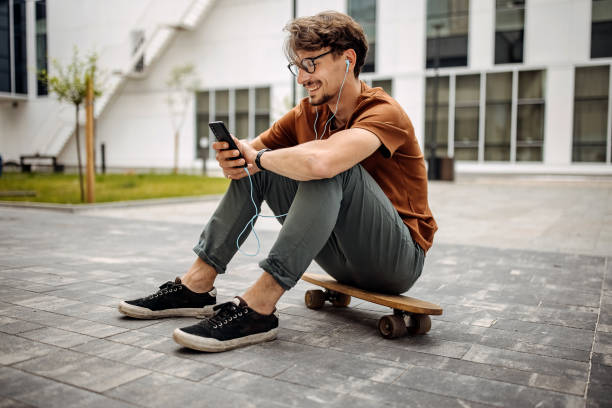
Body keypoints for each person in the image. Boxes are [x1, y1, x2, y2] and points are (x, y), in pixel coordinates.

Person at [119, 10, 437, 352]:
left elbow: (323, 161)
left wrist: (259, 158)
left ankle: (259, 308)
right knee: (266, 165)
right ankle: (196, 284)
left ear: (347, 59)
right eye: (297, 67)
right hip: (339, 257)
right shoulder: (306, 113)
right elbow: (251, 154)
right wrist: (236, 161)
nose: (301, 77)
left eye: (310, 64)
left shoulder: (383, 111)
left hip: (396, 259)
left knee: (325, 164)